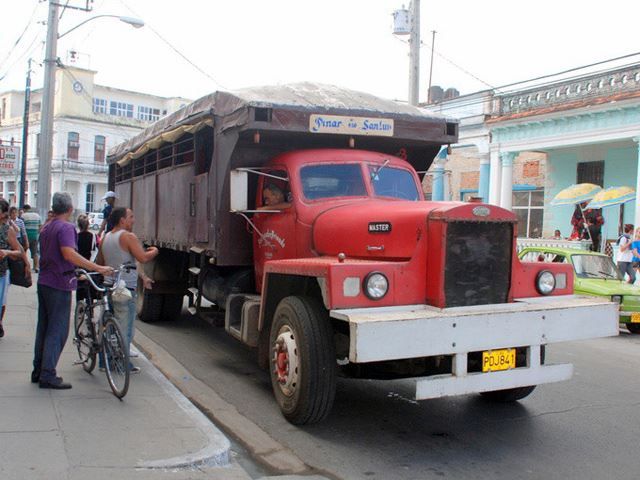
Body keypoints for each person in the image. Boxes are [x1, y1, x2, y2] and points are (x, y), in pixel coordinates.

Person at [32, 192, 112, 389]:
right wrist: (97, 268)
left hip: (45, 281)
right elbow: (69, 254)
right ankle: (48, 374)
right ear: (69, 209)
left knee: (44, 327)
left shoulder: (47, 227)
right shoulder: (66, 227)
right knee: (57, 330)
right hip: (59, 282)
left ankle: (39, 369)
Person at [96, 207, 158, 373]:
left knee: (108, 325)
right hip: (124, 290)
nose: (133, 220)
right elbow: (142, 258)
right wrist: (154, 251)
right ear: (122, 220)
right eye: (131, 216)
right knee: (125, 330)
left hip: (108, 286)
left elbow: (100, 261)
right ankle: (121, 363)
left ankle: (104, 361)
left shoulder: (107, 237)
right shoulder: (128, 236)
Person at [0, 199, 31, 338]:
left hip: (1, 273)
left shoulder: (7, 230)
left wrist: (7, 252)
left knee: (1, 302)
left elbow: (20, 251)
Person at [76, 214, 97, 303]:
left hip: (79, 264)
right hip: (89, 264)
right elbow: (95, 250)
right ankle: (90, 308)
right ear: (88, 225)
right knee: (90, 287)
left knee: (79, 288)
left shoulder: (76, 236)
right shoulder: (93, 236)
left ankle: (79, 309)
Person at [22, 204, 41, 272]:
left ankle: (23, 266)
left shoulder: (23, 216)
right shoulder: (37, 215)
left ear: (24, 209)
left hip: (26, 236)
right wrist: (37, 233)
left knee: (23, 251)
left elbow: (22, 226)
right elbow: (40, 226)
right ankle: (36, 267)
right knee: (35, 252)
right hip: (35, 236)